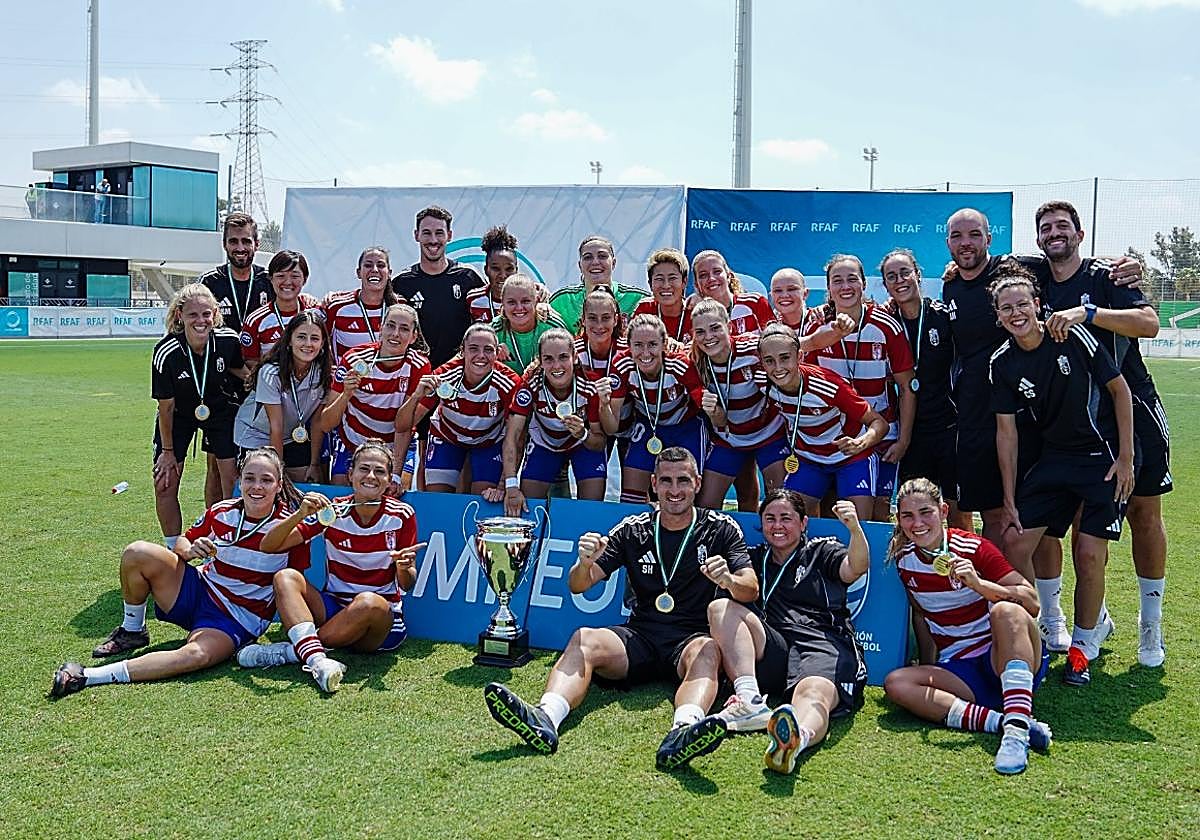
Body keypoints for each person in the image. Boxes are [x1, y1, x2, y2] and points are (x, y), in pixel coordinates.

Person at [484, 448, 758, 771]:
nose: (674, 490)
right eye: (666, 481)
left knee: (709, 650)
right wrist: (583, 564)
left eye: (683, 480)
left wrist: (727, 578)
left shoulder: (720, 529)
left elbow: (750, 586)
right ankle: (546, 716)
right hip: (640, 636)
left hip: (690, 640)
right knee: (584, 638)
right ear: (653, 483)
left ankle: (683, 731)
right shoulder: (633, 528)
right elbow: (579, 585)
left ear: (698, 484)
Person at [940, 207, 1141, 546]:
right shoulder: (951, 287)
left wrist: (1124, 263)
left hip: (1034, 419)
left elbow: (1065, 255)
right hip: (979, 416)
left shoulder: (1014, 268)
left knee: (1044, 522)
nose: (966, 243)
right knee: (994, 514)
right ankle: (998, 594)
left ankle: (1050, 600)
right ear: (947, 243)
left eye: (975, 234)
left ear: (989, 239)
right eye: (957, 236)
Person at [1028, 200, 1168, 668]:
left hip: (1132, 408)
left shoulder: (1106, 276)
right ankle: (1084, 618)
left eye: (1063, 226)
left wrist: (1090, 313)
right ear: (1038, 238)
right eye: (1046, 228)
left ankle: (1151, 625)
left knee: (1144, 513)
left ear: (1080, 233)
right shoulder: (1035, 278)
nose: (1055, 233)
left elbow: (1148, 324)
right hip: (1070, 419)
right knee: (1073, 519)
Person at [51, 448, 307, 697]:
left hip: (237, 619)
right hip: (201, 590)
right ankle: (132, 630)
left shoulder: (290, 525)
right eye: (250, 478)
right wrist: (192, 549)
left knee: (196, 655)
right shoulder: (223, 511)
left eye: (266, 480)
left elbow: (293, 584)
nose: (257, 487)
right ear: (239, 480)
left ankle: (88, 676)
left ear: (279, 484)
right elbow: (183, 542)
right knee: (137, 552)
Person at [988, 266, 1135, 687]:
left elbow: (1119, 391)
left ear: (1037, 304)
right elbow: (1006, 432)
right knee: (1014, 542)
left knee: (1088, 553)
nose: (1016, 313)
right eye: (1006, 308)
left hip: (1100, 457)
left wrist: (1125, 458)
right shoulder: (1003, 362)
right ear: (998, 316)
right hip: (1054, 460)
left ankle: (1082, 648)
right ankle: (1032, 634)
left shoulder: (1071, 336)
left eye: (1022, 304)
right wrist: (1010, 497)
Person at [883, 478, 1052, 776]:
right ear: (898, 519)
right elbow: (922, 616)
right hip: (960, 668)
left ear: (944, 511)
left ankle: (1014, 737)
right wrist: (928, 666)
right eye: (907, 516)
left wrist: (979, 584)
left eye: (926, 512)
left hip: (1003, 656)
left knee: (1006, 612)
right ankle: (1006, 722)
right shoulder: (903, 560)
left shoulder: (972, 547)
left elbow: (1031, 602)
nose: (917, 523)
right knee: (897, 683)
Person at [698, 491, 868, 773]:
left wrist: (854, 529)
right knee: (719, 608)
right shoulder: (753, 559)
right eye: (770, 519)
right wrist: (727, 579)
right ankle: (749, 699)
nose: (777, 526)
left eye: (786, 519)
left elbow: (856, 568)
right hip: (776, 647)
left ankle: (796, 740)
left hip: (821, 644)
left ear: (803, 524)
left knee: (813, 693)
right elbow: (736, 596)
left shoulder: (820, 551)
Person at [240, 441, 423, 692]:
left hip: (378, 622)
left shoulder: (402, 515)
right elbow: (269, 545)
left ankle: (291, 652)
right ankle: (317, 659)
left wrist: (404, 567)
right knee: (285, 577)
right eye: (364, 469)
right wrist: (300, 514)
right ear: (351, 474)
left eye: (380, 471)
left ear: (389, 479)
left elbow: (407, 584)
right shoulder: (334, 511)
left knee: (368, 602)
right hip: (334, 609)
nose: (371, 476)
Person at [803, 254, 915, 521]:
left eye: (852, 279)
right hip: (833, 437)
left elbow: (907, 388)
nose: (845, 287)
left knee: (876, 516)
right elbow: (801, 380)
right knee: (829, 512)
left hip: (882, 437)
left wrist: (904, 440)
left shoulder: (886, 326)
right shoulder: (816, 324)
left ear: (864, 284)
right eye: (837, 281)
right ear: (828, 288)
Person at [756, 324, 888, 523]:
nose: (778, 368)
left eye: (785, 358)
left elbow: (879, 423)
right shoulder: (761, 380)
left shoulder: (828, 385)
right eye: (769, 361)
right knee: (788, 520)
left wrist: (861, 443)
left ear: (799, 357)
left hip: (851, 458)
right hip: (809, 459)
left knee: (857, 526)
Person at [150, 284, 248, 544]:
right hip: (178, 417)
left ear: (215, 313)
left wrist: (258, 379)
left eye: (206, 314)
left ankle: (228, 543)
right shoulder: (166, 352)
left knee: (231, 479)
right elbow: (166, 407)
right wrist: (168, 452)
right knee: (165, 481)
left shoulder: (228, 340)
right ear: (180, 315)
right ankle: (174, 551)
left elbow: (239, 369)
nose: (201, 321)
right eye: (193, 315)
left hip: (219, 412)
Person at [879, 248, 969, 530]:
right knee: (913, 510)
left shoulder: (943, 315)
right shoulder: (885, 322)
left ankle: (966, 571)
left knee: (957, 510)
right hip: (910, 432)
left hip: (949, 427)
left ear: (918, 275)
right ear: (885, 285)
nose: (900, 280)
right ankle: (919, 572)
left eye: (905, 272)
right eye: (892, 276)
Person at [199, 212, 272, 507]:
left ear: (257, 243)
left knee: (263, 464)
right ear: (224, 244)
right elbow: (201, 338)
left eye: (246, 241)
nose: (239, 247)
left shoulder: (269, 280)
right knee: (217, 466)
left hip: (265, 387)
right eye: (233, 241)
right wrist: (242, 372)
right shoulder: (210, 283)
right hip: (222, 388)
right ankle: (214, 529)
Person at [399, 323, 522, 498]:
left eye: (488, 350)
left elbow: (517, 437)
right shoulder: (444, 376)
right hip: (447, 438)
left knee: (484, 499)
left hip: (489, 442)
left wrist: (503, 485)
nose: (481, 356)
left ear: (497, 353)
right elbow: (403, 425)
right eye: (473, 349)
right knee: (439, 501)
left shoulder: (509, 382)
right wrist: (416, 396)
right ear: (462, 351)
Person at [689, 298, 790, 510]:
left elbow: (792, 348)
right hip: (729, 438)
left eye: (715, 328)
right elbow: (719, 419)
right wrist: (713, 412)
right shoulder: (695, 360)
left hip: (769, 434)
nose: (708, 337)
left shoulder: (753, 348)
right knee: (705, 505)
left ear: (730, 326)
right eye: (700, 332)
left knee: (781, 500)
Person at [321, 303, 430, 488]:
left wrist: (395, 475)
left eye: (404, 329)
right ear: (381, 328)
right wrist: (346, 395)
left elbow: (403, 427)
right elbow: (326, 423)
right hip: (353, 443)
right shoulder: (355, 358)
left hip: (394, 446)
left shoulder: (419, 366)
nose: (395, 334)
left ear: (413, 337)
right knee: (340, 493)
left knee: (398, 490)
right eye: (390, 325)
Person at [602, 314, 707, 504]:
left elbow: (704, 406)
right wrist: (603, 403)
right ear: (629, 346)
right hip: (649, 427)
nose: (645, 352)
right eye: (638, 345)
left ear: (664, 344)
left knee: (690, 493)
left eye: (652, 344)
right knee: (631, 496)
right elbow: (611, 427)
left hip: (686, 427)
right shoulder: (622, 364)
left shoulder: (680, 364)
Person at [501, 329, 607, 514]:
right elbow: (512, 437)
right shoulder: (530, 385)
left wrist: (583, 434)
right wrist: (510, 486)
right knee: (528, 508)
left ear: (574, 357)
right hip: (545, 446)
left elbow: (599, 443)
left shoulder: (590, 385)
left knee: (591, 511)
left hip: (582, 445)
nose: (557, 365)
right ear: (540, 361)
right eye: (548, 359)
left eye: (563, 357)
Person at [234, 311, 331, 483]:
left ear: (323, 343)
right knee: (267, 485)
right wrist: (278, 471)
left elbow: (317, 423)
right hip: (257, 436)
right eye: (301, 337)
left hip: (292, 437)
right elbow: (275, 426)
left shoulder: (323, 373)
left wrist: (314, 464)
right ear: (289, 341)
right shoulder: (270, 372)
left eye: (315, 338)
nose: (308, 344)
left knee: (307, 484)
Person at [392, 205, 487, 369]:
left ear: (449, 235)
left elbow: (497, 302)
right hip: (417, 372)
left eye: (439, 233)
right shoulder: (402, 282)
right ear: (417, 235)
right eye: (427, 233)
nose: (433, 240)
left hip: (460, 372)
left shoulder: (468, 276)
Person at [239, 249, 320, 371]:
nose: (288, 282)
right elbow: (251, 361)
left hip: (311, 386)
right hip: (273, 386)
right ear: (271, 279)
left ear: (305, 279)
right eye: (281, 276)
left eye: (295, 276)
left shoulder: (316, 312)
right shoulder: (255, 320)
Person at [549, 235, 647, 333]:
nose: (595, 262)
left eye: (602, 256)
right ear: (580, 266)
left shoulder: (637, 299)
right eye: (588, 257)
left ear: (613, 263)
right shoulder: (562, 301)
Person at [322, 246, 400, 362]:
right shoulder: (337, 306)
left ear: (389, 273)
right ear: (359, 273)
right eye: (368, 265)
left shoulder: (400, 307)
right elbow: (314, 336)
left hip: (387, 379)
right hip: (347, 379)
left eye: (381, 265)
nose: (374, 270)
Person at [493, 274, 568, 374]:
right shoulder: (494, 332)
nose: (519, 308)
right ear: (502, 302)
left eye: (525, 301)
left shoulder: (553, 327)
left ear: (536, 300)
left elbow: (568, 364)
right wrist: (491, 353)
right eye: (511, 302)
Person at [690, 249, 775, 336]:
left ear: (728, 276)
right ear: (697, 284)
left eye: (717, 272)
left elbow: (776, 340)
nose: (711, 278)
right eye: (703, 275)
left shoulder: (755, 302)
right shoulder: (695, 316)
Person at [633, 248, 693, 344]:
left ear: (684, 282)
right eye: (659, 279)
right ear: (650, 284)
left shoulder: (695, 312)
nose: (666, 285)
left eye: (672, 278)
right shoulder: (645, 309)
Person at [466, 225, 520, 323]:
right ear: (486, 270)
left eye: (509, 269)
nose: (503, 275)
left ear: (516, 271)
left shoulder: (530, 298)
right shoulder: (473, 300)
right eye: (496, 268)